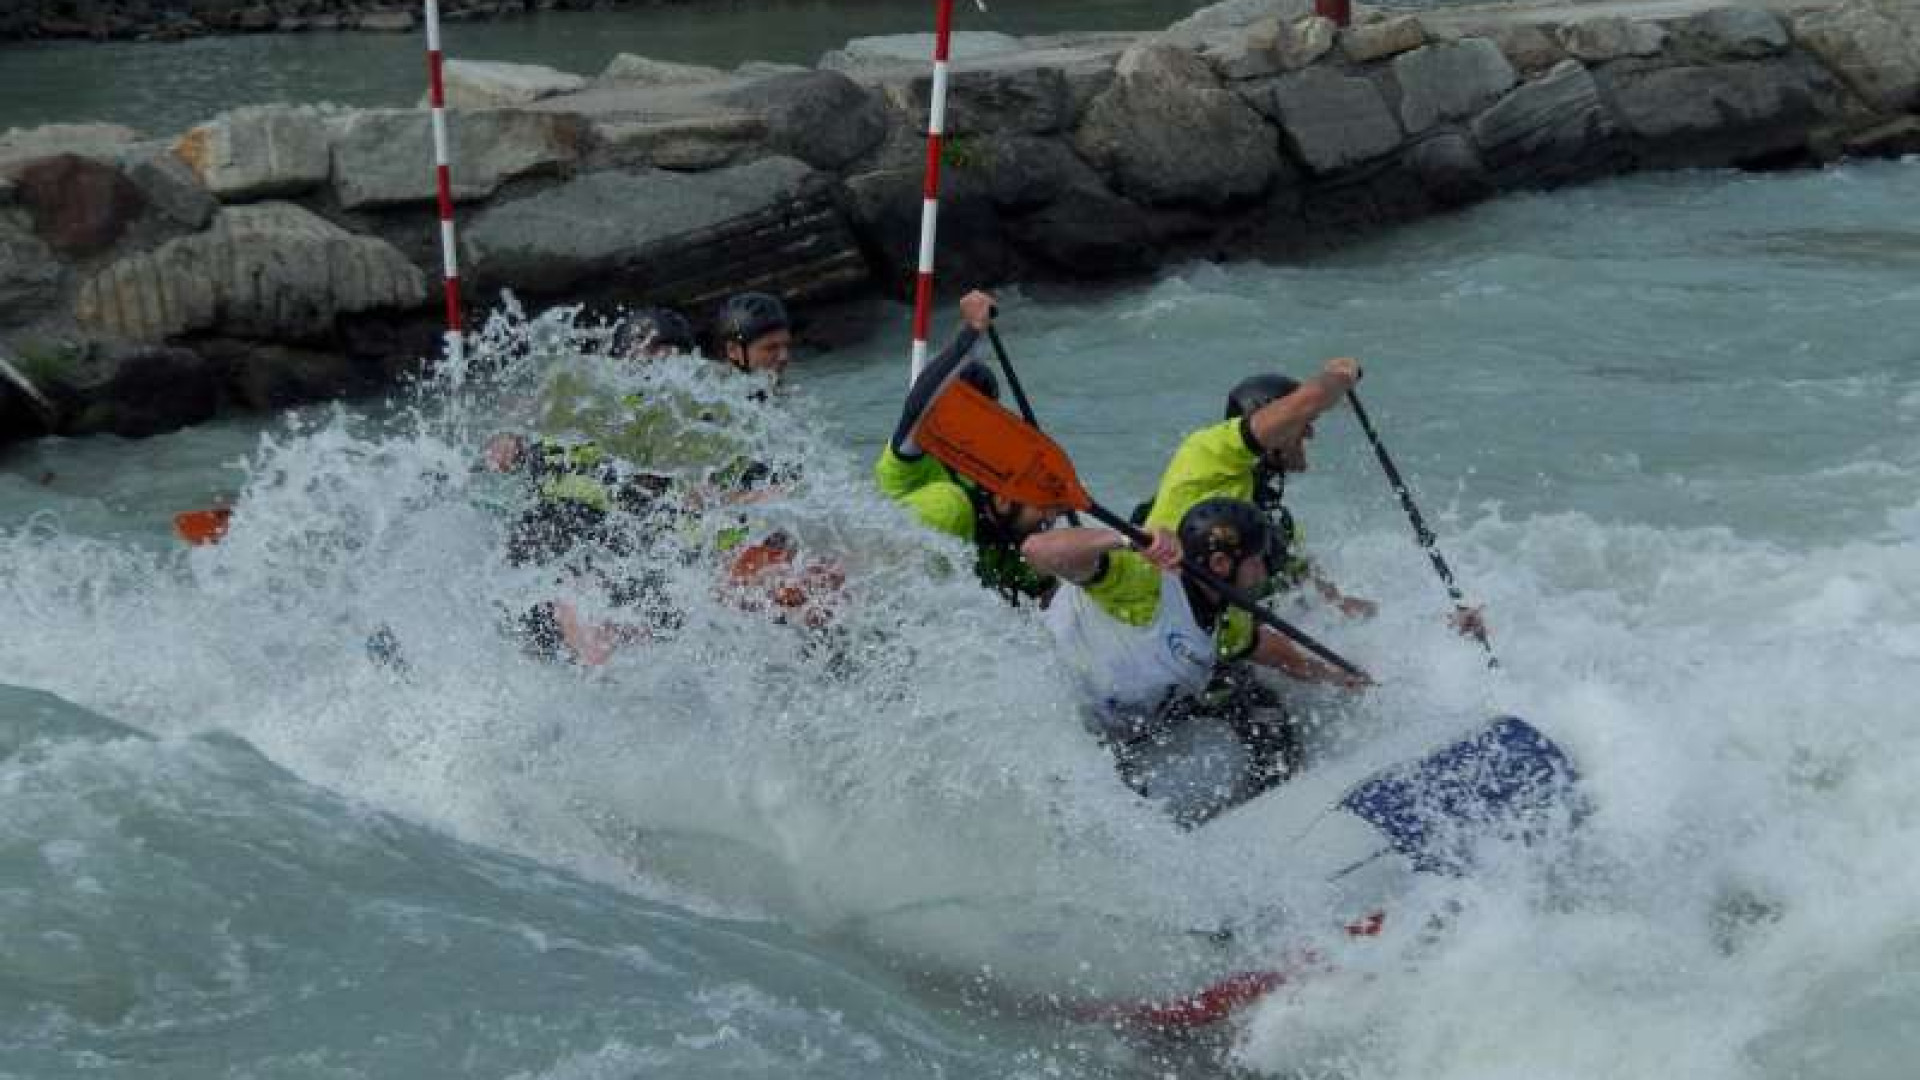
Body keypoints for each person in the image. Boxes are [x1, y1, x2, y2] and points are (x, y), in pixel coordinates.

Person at [1022, 497, 1367, 826]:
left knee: (1261, 706)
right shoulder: (1146, 577)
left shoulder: (1228, 615)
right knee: (1118, 804)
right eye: (1257, 559)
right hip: (1070, 721)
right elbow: (1036, 550)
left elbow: (1268, 649)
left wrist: (1337, 675)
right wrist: (1125, 538)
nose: (1265, 569)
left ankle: (1265, 808)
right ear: (1221, 564)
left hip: (1138, 718)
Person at [876, 290, 1058, 604]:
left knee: (1046, 566)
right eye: (968, 415)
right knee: (952, 505)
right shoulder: (910, 456)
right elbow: (920, 402)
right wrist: (971, 331)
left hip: (980, 569)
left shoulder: (991, 461)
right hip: (894, 576)